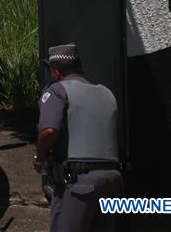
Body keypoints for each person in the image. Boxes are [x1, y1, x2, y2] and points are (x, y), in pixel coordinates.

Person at [35, 43, 123, 232]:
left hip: (79, 183)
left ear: (56, 72)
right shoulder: (106, 93)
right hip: (112, 182)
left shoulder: (57, 90)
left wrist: (39, 158)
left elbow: (49, 131)